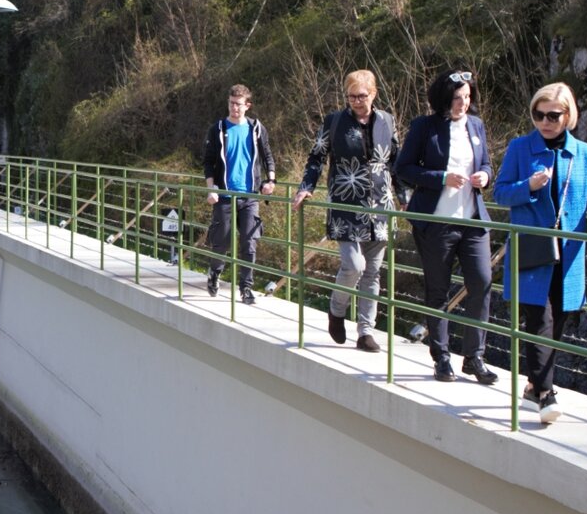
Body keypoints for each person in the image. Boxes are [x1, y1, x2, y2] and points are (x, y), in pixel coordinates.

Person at [493, 81, 587, 424]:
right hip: (532, 249)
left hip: (569, 252)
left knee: (558, 320)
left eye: (552, 115)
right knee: (539, 320)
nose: (544, 121)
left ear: (568, 116)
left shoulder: (584, 153)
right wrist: (529, 187)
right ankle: (547, 394)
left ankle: (535, 385)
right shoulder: (520, 148)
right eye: (538, 114)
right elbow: (500, 194)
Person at [395, 69, 497, 385]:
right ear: (443, 98)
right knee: (438, 290)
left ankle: (474, 357)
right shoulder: (424, 127)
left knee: (481, 281)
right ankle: (441, 357)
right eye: (456, 98)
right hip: (437, 222)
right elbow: (403, 169)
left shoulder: (476, 125)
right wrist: (440, 177)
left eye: (467, 98)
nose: (463, 104)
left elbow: (486, 163)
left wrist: (486, 176)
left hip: (473, 221)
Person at [294, 70, 400, 353]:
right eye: (351, 96)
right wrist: (306, 188)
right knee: (354, 265)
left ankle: (366, 331)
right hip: (345, 205)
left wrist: (408, 197)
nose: (356, 101)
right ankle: (337, 309)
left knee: (373, 272)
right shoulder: (334, 122)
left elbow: (396, 163)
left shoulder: (387, 121)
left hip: (380, 207)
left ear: (373, 94)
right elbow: (316, 157)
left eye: (361, 96)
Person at [201, 84, 277, 303]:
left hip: (249, 195)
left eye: (238, 104)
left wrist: (270, 180)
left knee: (249, 242)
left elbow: (268, 156)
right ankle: (215, 273)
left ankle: (246, 287)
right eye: (231, 103)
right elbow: (208, 162)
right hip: (224, 195)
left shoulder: (256, 128)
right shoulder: (217, 129)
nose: (234, 108)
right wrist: (211, 189)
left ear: (247, 105)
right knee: (221, 241)